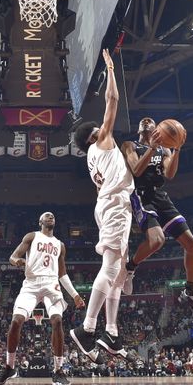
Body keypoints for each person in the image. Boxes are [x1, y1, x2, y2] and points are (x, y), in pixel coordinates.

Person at [69, 49, 134, 361]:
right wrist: (110, 69)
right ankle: (87, 328)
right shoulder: (101, 142)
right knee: (111, 267)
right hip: (115, 206)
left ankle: (111, 331)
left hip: (109, 205)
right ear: (93, 135)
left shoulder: (92, 157)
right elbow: (113, 102)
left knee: (119, 271)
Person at [120, 119, 193, 316]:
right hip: (141, 195)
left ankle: (191, 291)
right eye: (143, 121)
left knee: (192, 245)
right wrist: (151, 148)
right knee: (157, 240)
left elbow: (169, 173)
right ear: (139, 128)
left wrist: (176, 149)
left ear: (158, 129)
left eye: (150, 120)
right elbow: (136, 170)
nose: (146, 121)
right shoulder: (130, 145)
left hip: (160, 195)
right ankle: (130, 268)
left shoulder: (164, 150)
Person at [0, 211, 86, 385]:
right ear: (40, 221)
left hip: (52, 285)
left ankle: (58, 371)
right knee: (16, 321)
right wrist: (17, 262)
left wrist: (75, 295)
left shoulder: (60, 245)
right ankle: (9, 367)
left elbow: (62, 273)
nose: (51, 217)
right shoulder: (32, 236)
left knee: (57, 321)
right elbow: (13, 257)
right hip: (31, 284)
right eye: (47, 215)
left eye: (53, 216)